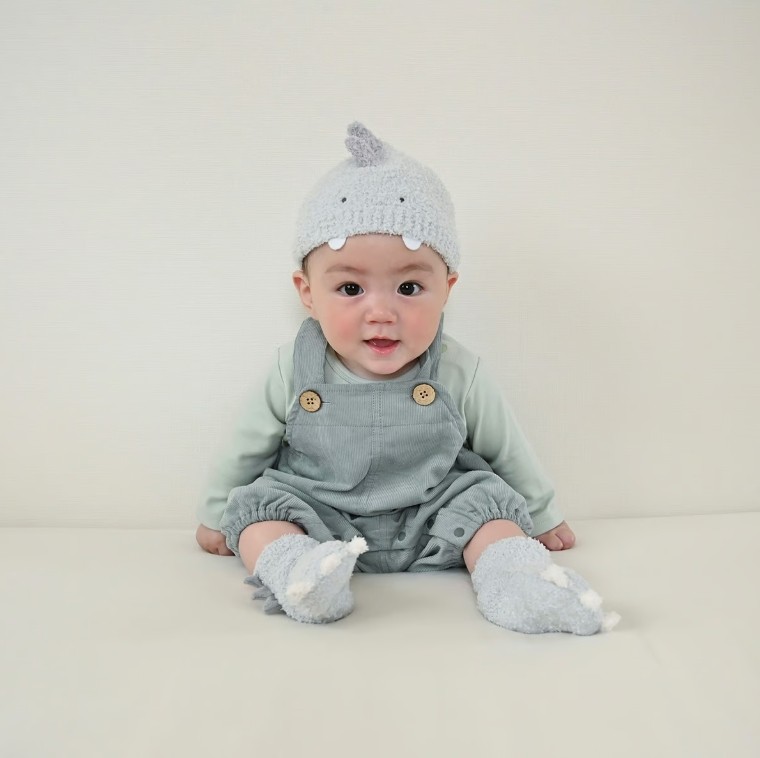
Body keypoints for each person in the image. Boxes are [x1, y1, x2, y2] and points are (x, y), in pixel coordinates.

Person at [196, 122, 619, 635]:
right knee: (259, 518)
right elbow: (244, 450)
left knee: (493, 517)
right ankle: (302, 574)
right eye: (351, 288)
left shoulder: (458, 369)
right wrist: (218, 514)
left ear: (447, 289)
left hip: (436, 515)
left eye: (410, 287)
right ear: (307, 293)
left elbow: (507, 448)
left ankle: (517, 583)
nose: (381, 312)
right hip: (319, 515)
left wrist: (543, 515)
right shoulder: (293, 369)